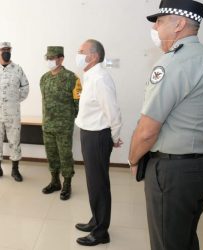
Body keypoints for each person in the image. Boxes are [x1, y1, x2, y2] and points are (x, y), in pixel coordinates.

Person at [128, 1, 203, 249]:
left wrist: (133, 159)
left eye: (160, 20)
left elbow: (148, 130)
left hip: (174, 172)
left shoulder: (172, 63)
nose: (155, 26)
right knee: (186, 238)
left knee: (168, 243)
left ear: (179, 24)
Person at [74, 39, 122, 246]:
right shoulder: (90, 76)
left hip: (97, 137)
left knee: (98, 184)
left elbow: (112, 110)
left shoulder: (100, 78)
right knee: (93, 183)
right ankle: (96, 220)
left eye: (81, 51)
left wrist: (114, 136)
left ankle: (101, 232)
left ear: (93, 56)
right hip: (89, 134)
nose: (78, 54)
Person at [40, 46, 81, 200]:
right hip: (48, 125)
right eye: (48, 58)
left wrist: (70, 119)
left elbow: (78, 102)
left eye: (52, 58)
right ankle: (55, 181)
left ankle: (67, 184)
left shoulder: (72, 78)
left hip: (64, 126)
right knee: (51, 154)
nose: (49, 61)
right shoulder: (44, 78)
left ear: (61, 59)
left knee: (65, 155)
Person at [0, 42, 29, 182]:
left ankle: (15, 170)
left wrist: (13, 101)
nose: (6, 52)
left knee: (14, 141)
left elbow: (25, 88)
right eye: (3, 50)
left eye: (8, 49)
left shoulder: (18, 69)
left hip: (13, 112)